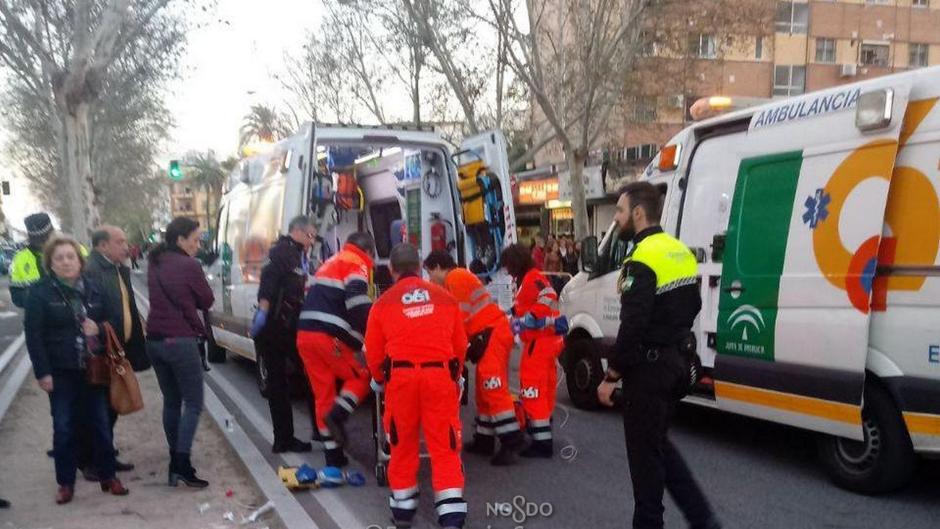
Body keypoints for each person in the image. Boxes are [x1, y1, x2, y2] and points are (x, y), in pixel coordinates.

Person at [596, 182, 719, 529]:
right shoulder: (680, 251)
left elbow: (633, 324)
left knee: (645, 462)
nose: (616, 219)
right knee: (659, 445)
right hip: (678, 364)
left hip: (648, 372)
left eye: (619, 211)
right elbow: (693, 305)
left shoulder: (642, 258)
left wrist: (611, 376)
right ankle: (702, 517)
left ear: (637, 213)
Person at [366, 244, 468, 529]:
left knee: (401, 446)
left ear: (391, 269)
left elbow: (373, 353)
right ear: (421, 265)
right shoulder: (445, 298)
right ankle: (451, 517)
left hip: (401, 380)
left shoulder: (382, 303)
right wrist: (454, 375)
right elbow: (460, 345)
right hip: (439, 377)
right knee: (445, 446)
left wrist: (379, 379)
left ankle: (403, 513)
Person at [24, 235, 129, 504]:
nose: (66, 262)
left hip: (93, 368)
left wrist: (101, 327)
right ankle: (66, 483)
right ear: (51, 263)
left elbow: (113, 320)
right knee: (64, 428)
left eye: (70, 257)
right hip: (60, 372)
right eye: (59, 258)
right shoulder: (40, 292)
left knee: (101, 425)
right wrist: (42, 373)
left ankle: (109, 477)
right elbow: (34, 335)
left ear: (79, 261)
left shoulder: (94, 288)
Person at [424, 251, 524, 466]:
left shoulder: (455, 278)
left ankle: (511, 440)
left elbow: (457, 319)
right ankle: (484, 439)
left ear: (439, 267)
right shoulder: (456, 278)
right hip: (490, 333)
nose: (430, 279)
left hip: (492, 334)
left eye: (430, 273)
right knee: (484, 388)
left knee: (492, 386)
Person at [296, 232, 375, 468]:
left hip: (305, 335)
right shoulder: (356, 262)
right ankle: (338, 415)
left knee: (323, 394)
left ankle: (333, 455)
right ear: (369, 251)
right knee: (362, 374)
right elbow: (357, 303)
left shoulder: (329, 262)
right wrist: (375, 327)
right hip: (328, 335)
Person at [146, 217, 214, 489]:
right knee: (194, 403)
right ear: (180, 239)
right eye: (195, 239)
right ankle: (182, 464)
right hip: (181, 340)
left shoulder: (155, 261)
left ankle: (174, 458)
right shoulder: (190, 265)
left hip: (154, 339)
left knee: (171, 401)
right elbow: (207, 300)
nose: (198, 245)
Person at [79, 225, 149, 479]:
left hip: (119, 348)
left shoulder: (118, 269)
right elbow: (86, 313)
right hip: (101, 351)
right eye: (119, 241)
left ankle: (105, 454)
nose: (125, 245)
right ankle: (92, 462)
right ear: (103, 246)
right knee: (99, 409)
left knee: (112, 406)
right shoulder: (91, 272)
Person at [251, 216, 317, 453]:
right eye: (310, 235)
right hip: (276, 327)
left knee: (303, 377)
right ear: (297, 232)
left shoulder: (295, 253)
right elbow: (268, 286)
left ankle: (309, 432)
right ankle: (284, 439)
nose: (312, 241)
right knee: (280, 383)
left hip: (287, 326)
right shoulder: (282, 253)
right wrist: (262, 313)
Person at [500, 243, 564, 458]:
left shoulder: (531, 278)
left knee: (532, 389)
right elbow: (522, 306)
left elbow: (547, 296)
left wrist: (528, 320)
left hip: (540, 341)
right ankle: (542, 431)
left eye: (508, 265)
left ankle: (541, 442)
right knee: (543, 389)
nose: (507, 270)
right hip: (546, 340)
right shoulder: (529, 278)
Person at [10, 212, 55, 308]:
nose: (44, 243)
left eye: (46, 238)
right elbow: (17, 296)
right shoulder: (19, 259)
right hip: (38, 318)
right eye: (40, 239)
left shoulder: (70, 251)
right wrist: (37, 299)